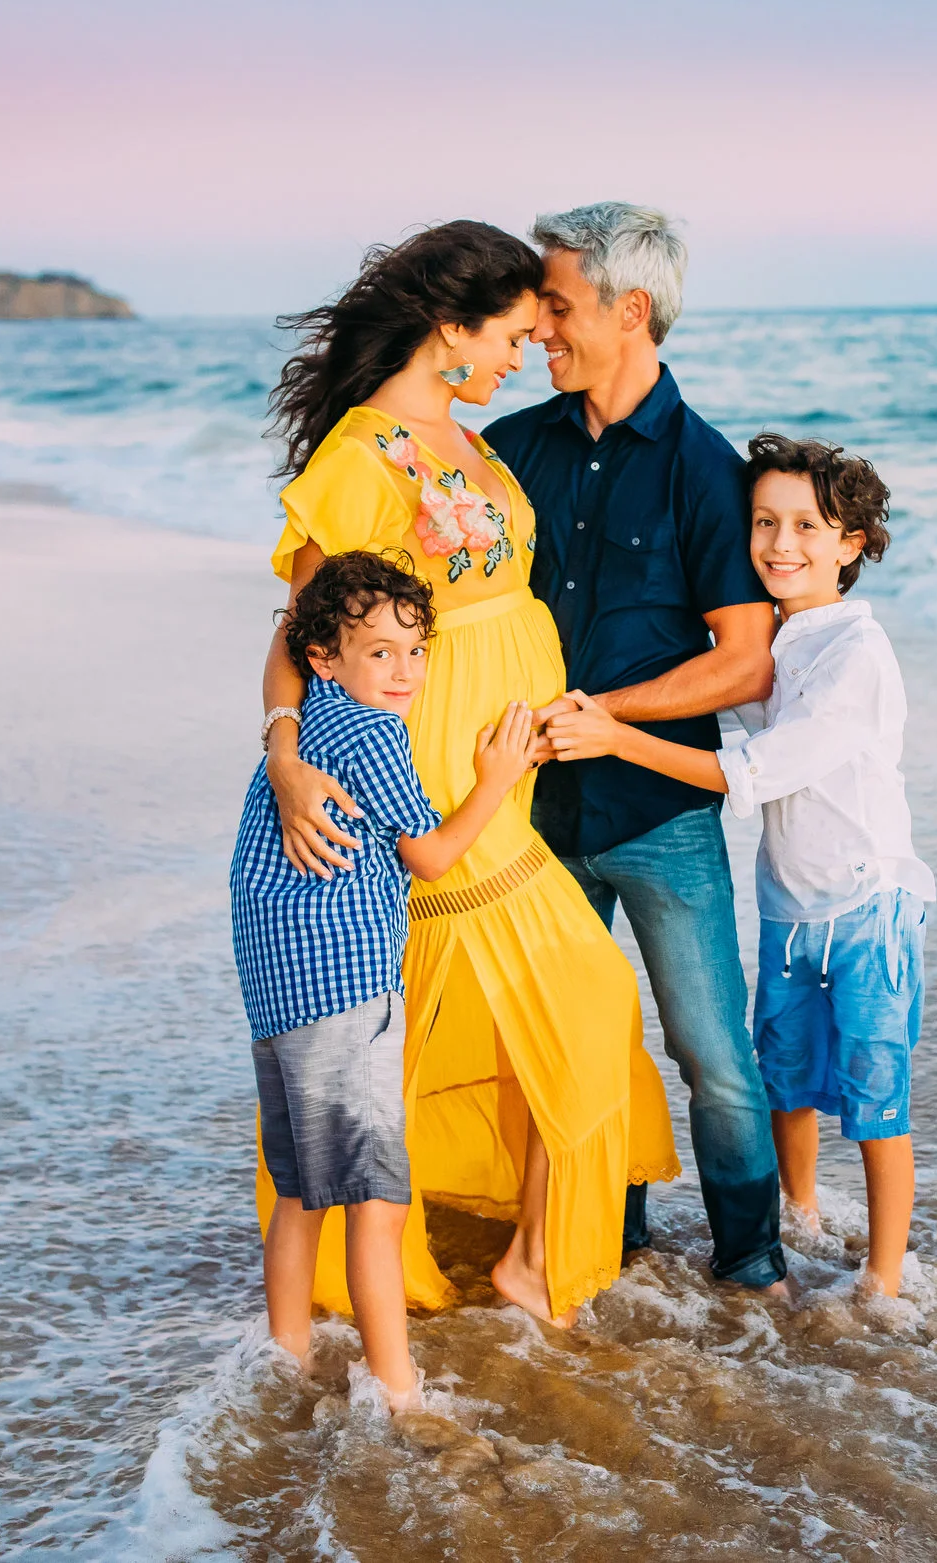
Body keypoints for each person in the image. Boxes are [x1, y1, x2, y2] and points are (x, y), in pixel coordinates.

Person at [256, 220, 679, 1329]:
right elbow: (298, 633)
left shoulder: (466, 438)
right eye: (508, 331)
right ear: (447, 329)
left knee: (461, 1005)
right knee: (566, 993)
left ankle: (497, 1257)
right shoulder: (361, 456)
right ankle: (411, 1267)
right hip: (440, 770)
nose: (526, 347)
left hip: (505, 763)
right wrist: (285, 756)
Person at [543, 433, 933, 1298]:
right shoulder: (782, 641)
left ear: (853, 544)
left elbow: (747, 769)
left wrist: (614, 735)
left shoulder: (855, 656)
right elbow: (721, 720)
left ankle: (883, 1275)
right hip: (791, 906)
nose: (780, 544)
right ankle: (799, 1215)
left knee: (875, 1094)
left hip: (868, 905)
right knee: (784, 1076)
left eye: (807, 525)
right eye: (764, 522)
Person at [488, 203, 790, 1295]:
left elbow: (745, 661)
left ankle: (752, 1266)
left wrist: (609, 716)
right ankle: (602, 1248)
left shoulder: (707, 470)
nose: (538, 330)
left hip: (660, 817)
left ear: (630, 309)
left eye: (556, 306)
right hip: (527, 818)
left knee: (711, 1056)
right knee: (572, 1049)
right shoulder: (508, 452)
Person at [231, 551, 535, 1410]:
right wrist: (496, 781)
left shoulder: (307, 727)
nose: (403, 672)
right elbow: (432, 857)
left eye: (415, 650)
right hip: (345, 985)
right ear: (323, 655)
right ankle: (395, 1384)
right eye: (379, 652)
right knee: (375, 1194)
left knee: (297, 1189)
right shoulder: (371, 733)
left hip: (278, 987)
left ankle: (286, 1351)